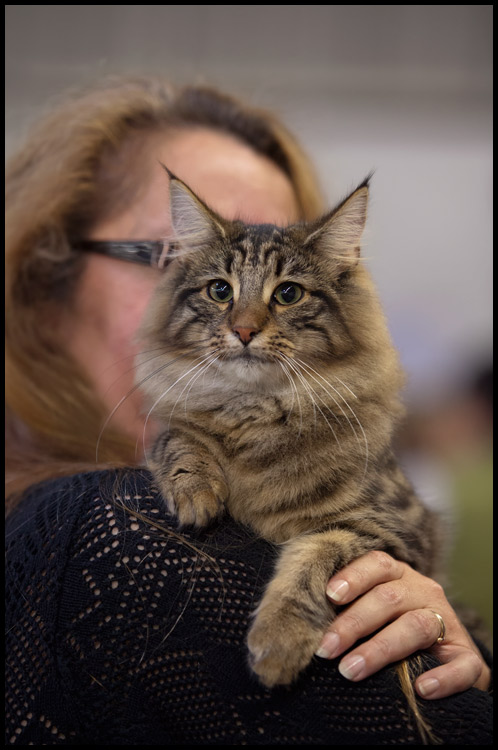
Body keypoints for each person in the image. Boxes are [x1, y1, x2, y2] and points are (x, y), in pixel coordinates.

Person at [5, 76, 492, 745]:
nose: (244, 324)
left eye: (287, 287)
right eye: (172, 257)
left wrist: (457, 653)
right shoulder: (108, 534)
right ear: (43, 288)